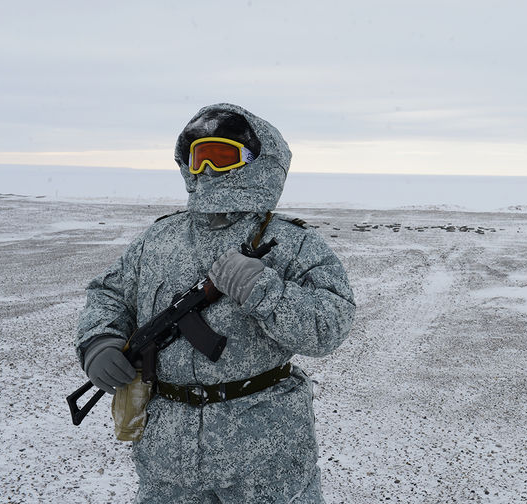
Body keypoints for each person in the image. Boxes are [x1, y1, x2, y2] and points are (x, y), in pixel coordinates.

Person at [75, 103, 355, 503]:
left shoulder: (294, 244)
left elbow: (329, 326)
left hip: (266, 454)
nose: (205, 170)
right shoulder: (159, 239)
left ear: (257, 163)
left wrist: (266, 291)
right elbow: (110, 293)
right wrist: (99, 342)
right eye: (198, 157)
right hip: (167, 454)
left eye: (221, 157)